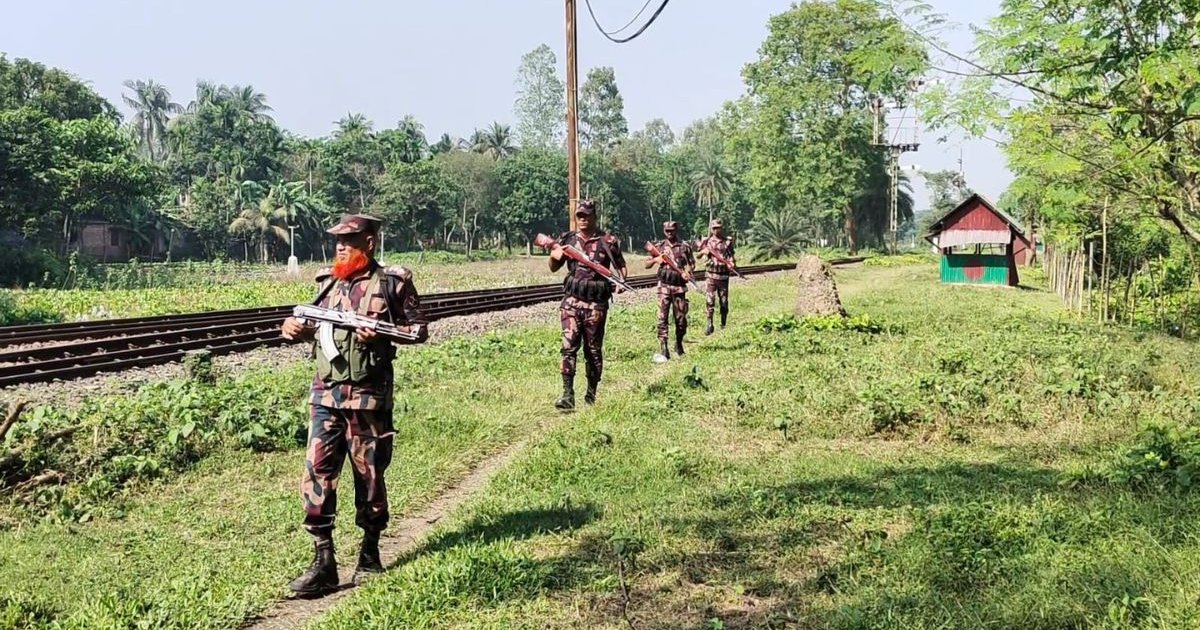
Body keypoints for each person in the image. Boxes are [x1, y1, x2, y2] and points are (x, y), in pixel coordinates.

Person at [279, 213, 429, 596]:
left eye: (350, 240)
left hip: (368, 400)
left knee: (370, 477)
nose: (341, 247)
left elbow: (418, 330)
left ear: (370, 242)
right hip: (325, 397)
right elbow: (311, 328)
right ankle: (323, 560)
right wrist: (293, 330)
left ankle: (370, 553)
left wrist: (378, 335)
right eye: (338, 241)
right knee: (318, 474)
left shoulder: (393, 282)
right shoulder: (327, 283)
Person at [548, 200, 628, 410]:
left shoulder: (607, 241)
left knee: (593, 352)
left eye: (586, 216)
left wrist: (621, 283)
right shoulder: (568, 239)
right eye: (579, 216)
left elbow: (621, 267)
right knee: (568, 347)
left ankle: (591, 394)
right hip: (571, 303)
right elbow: (554, 267)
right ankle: (567, 395)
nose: (582, 220)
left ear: (594, 216)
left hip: (596, 305)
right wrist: (554, 255)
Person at [645, 220, 695, 359]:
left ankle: (678, 343)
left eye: (672, 230)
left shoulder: (684, 246)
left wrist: (688, 273)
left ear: (676, 230)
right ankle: (664, 347)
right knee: (662, 319)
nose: (669, 233)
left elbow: (691, 264)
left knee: (681, 320)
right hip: (664, 287)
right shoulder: (659, 247)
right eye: (667, 231)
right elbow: (647, 264)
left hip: (679, 288)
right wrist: (656, 260)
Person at [696, 219, 736, 335]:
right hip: (710, 276)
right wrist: (704, 252)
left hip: (723, 276)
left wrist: (732, 263)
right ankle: (709, 324)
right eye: (714, 228)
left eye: (718, 227)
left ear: (721, 228)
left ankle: (723, 324)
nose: (716, 230)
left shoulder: (727, 242)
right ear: (711, 229)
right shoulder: (706, 242)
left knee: (723, 302)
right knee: (710, 301)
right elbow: (698, 255)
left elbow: (731, 256)